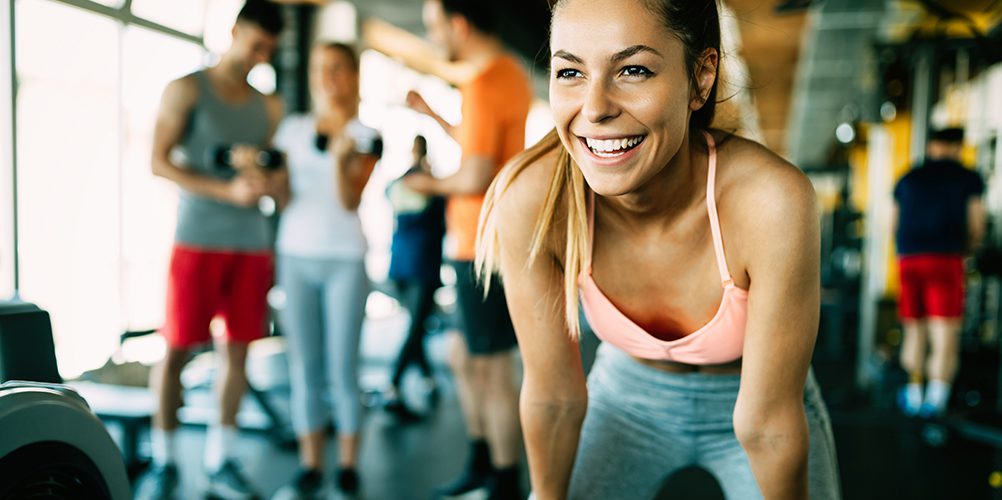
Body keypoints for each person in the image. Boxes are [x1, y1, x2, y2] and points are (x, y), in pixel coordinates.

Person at [476, 0, 842, 498]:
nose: (595, 107)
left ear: (701, 77)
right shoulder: (534, 199)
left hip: (758, 401)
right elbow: (554, 396)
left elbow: (766, 423)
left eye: (633, 70)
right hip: (627, 398)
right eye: (569, 71)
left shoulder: (772, 202)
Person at [368, 1, 533, 498]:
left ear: (459, 24)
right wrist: (433, 114)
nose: (431, 33)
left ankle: (503, 479)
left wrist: (425, 182)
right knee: (465, 356)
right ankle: (483, 462)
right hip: (481, 243)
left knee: (492, 365)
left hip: (483, 247)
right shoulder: (504, 76)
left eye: (435, 24)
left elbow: (475, 174)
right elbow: (477, 145)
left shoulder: (484, 83)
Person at [137, 1, 286, 499]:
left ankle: (222, 459)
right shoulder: (185, 89)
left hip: (251, 245)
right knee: (177, 350)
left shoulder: (268, 107)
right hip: (197, 241)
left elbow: (274, 176)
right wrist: (226, 191)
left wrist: (266, 182)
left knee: (238, 355)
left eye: (269, 50)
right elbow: (158, 163)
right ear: (235, 31)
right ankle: (164, 460)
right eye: (256, 44)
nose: (260, 56)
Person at [270, 42, 381, 499]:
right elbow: (281, 197)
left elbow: (350, 200)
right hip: (294, 255)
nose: (328, 78)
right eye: (320, 69)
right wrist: (265, 183)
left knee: (342, 367)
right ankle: (311, 463)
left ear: (353, 76)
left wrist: (339, 160)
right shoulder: (291, 131)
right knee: (305, 366)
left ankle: (349, 465)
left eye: (337, 69)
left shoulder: (366, 135)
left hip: (344, 261)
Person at [894, 127, 985, 418]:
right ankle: (936, 399)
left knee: (914, 329)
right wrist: (968, 251)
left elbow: (892, 224)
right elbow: (976, 224)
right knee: (944, 331)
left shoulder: (908, 177)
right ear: (957, 147)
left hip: (909, 260)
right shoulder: (967, 176)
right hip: (945, 260)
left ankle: (913, 392)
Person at [384, 135, 446, 420]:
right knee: (416, 327)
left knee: (416, 325)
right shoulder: (430, 185)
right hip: (421, 263)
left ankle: (426, 377)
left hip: (401, 262)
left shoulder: (398, 184)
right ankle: (393, 384)